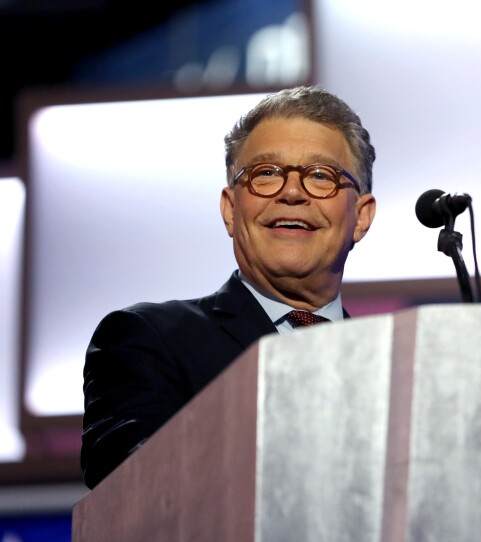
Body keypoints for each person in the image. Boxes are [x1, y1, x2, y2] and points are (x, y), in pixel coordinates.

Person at [80, 86, 377, 489]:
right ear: (231, 210)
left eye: (321, 176)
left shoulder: (387, 371)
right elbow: (135, 492)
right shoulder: (148, 340)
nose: (291, 193)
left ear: (361, 217)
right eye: (266, 174)